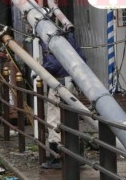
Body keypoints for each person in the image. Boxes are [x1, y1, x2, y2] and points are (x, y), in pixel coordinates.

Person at [40, 31, 86, 170]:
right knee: (71, 118)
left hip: (58, 84)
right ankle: (76, 153)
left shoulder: (49, 39)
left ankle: (58, 157)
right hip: (72, 81)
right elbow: (82, 57)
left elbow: (52, 65)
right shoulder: (70, 36)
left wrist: (41, 68)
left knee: (54, 119)